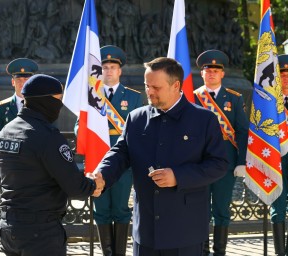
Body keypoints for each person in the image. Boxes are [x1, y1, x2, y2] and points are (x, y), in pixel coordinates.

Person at [94, 57, 228, 256]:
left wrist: (178, 176)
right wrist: (102, 175)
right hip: (146, 232)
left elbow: (219, 164)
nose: (149, 91)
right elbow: (120, 153)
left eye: (156, 87)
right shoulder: (136, 118)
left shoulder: (204, 119)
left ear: (176, 86)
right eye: (147, 85)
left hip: (185, 232)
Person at [0, 74, 105, 256]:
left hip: (8, 227)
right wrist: (93, 185)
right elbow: (75, 187)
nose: (60, 106)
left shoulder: (6, 132)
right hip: (40, 233)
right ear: (45, 101)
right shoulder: (47, 136)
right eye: (58, 100)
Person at [194, 49, 249, 256]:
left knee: (221, 211)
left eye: (216, 71)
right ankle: (202, 251)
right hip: (199, 163)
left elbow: (243, 131)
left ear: (222, 74)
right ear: (202, 74)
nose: (212, 74)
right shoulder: (193, 97)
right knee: (200, 211)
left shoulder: (234, 99)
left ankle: (220, 252)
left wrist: (241, 161)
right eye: (208, 70)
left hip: (225, 163)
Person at [92, 45, 142, 256]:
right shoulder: (91, 96)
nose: (109, 71)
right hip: (97, 160)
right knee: (101, 210)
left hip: (123, 162)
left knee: (121, 210)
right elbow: (81, 125)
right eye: (105, 67)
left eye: (113, 67)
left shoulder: (133, 97)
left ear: (120, 71)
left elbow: (139, 128)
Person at [0, 58, 38, 179]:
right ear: (13, 82)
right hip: (9, 167)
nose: (22, 83)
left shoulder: (40, 106)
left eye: (26, 79)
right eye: (18, 79)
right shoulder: (3, 107)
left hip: (34, 167)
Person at [270, 54, 288, 256]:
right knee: (278, 206)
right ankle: (279, 253)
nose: (285, 78)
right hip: (274, 159)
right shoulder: (268, 103)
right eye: (281, 75)